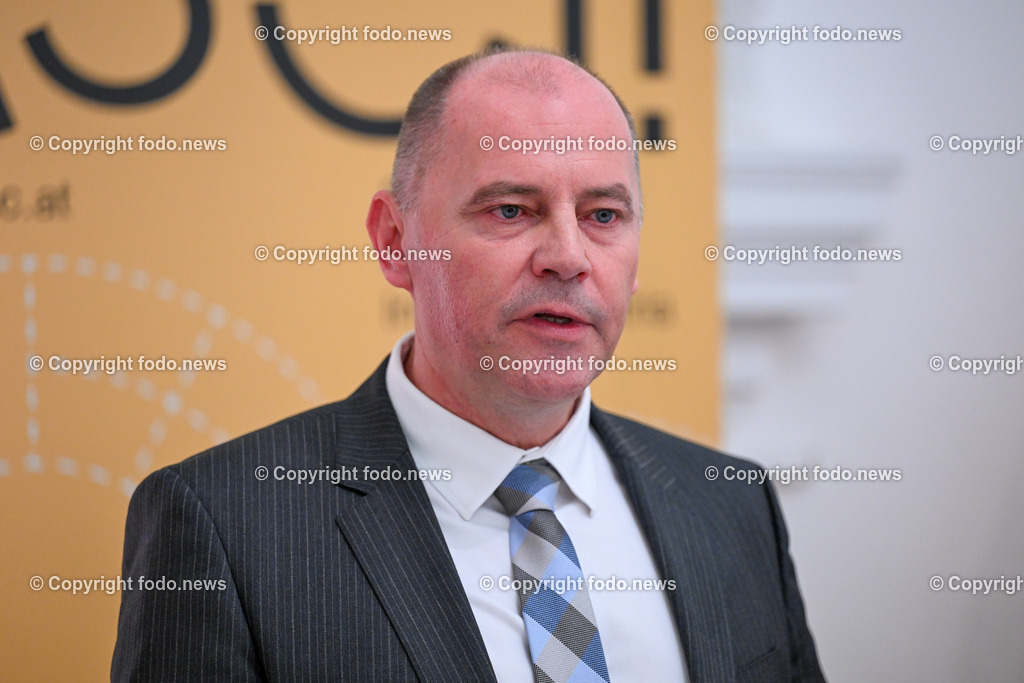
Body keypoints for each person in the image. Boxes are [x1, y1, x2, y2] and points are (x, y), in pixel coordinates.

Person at [112, 47, 825, 682]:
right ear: (395, 242)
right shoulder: (225, 525)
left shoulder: (732, 504)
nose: (570, 256)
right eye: (512, 210)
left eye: (604, 215)